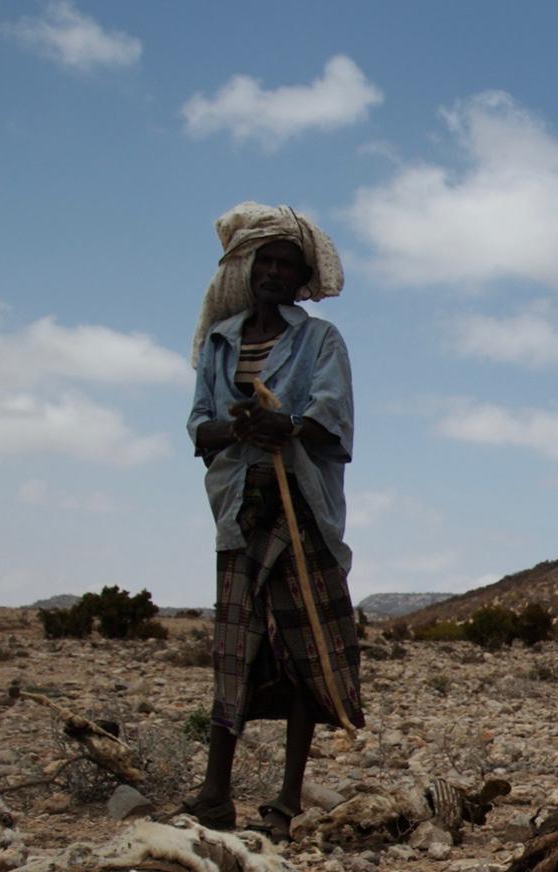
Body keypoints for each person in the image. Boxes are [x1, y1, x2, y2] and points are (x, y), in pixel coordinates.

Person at [183, 203, 365, 839]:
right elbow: (198, 425)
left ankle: (285, 802)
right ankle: (214, 795)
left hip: (299, 508)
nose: (277, 273)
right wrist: (234, 426)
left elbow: (331, 422)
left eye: (290, 266)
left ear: (300, 280)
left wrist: (285, 425)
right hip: (240, 510)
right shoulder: (220, 341)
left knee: (299, 649)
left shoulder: (320, 341)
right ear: (252, 269)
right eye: (269, 261)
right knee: (234, 649)